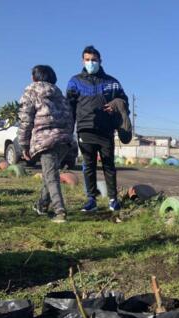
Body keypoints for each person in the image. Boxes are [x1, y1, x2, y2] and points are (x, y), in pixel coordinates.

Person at [67, 45, 129, 212]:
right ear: (83, 61)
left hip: (106, 130)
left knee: (109, 165)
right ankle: (91, 200)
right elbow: (69, 108)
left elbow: (124, 102)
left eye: (94, 60)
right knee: (88, 165)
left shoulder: (112, 82)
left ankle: (113, 199)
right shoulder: (75, 81)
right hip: (85, 129)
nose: (91, 62)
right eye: (87, 60)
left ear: (100, 61)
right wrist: (68, 131)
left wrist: (116, 106)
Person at [18, 65, 75, 223]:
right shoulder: (59, 94)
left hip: (46, 140)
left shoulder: (31, 91)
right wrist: (68, 137)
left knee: (51, 177)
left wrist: (23, 145)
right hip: (65, 140)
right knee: (50, 175)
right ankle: (42, 205)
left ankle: (60, 212)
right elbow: (70, 118)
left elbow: (25, 120)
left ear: (34, 77)